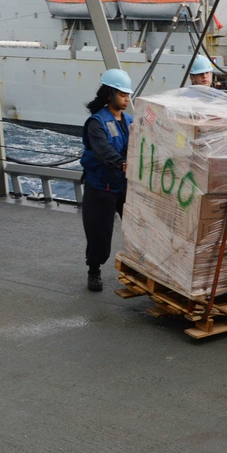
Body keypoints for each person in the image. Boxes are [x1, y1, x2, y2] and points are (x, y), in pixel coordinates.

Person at [80, 68, 134, 292]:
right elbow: (102, 151)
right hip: (101, 186)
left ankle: (137, 269)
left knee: (136, 230)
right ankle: (94, 270)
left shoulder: (130, 121)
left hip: (125, 185)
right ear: (110, 94)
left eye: (128, 95)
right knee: (99, 233)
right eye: (123, 95)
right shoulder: (96, 122)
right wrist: (122, 163)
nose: (127, 99)